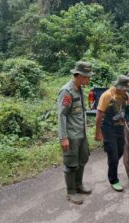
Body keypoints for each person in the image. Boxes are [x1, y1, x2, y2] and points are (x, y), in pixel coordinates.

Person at [57, 61, 94, 204]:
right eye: (87, 77)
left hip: (81, 133)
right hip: (71, 135)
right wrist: (63, 137)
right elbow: (62, 115)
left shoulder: (79, 89)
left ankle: (79, 185)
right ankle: (70, 191)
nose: (89, 79)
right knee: (71, 164)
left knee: (82, 160)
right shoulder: (66, 91)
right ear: (78, 75)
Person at [95, 75, 129, 192]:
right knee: (113, 154)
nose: (126, 90)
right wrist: (97, 133)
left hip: (120, 127)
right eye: (123, 88)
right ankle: (114, 179)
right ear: (117, 86)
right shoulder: (107, 95)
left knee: (119, 151)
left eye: (126, 88)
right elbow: (99, 115)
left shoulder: (126, 95)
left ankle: (112, 162)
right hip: (108, 129)